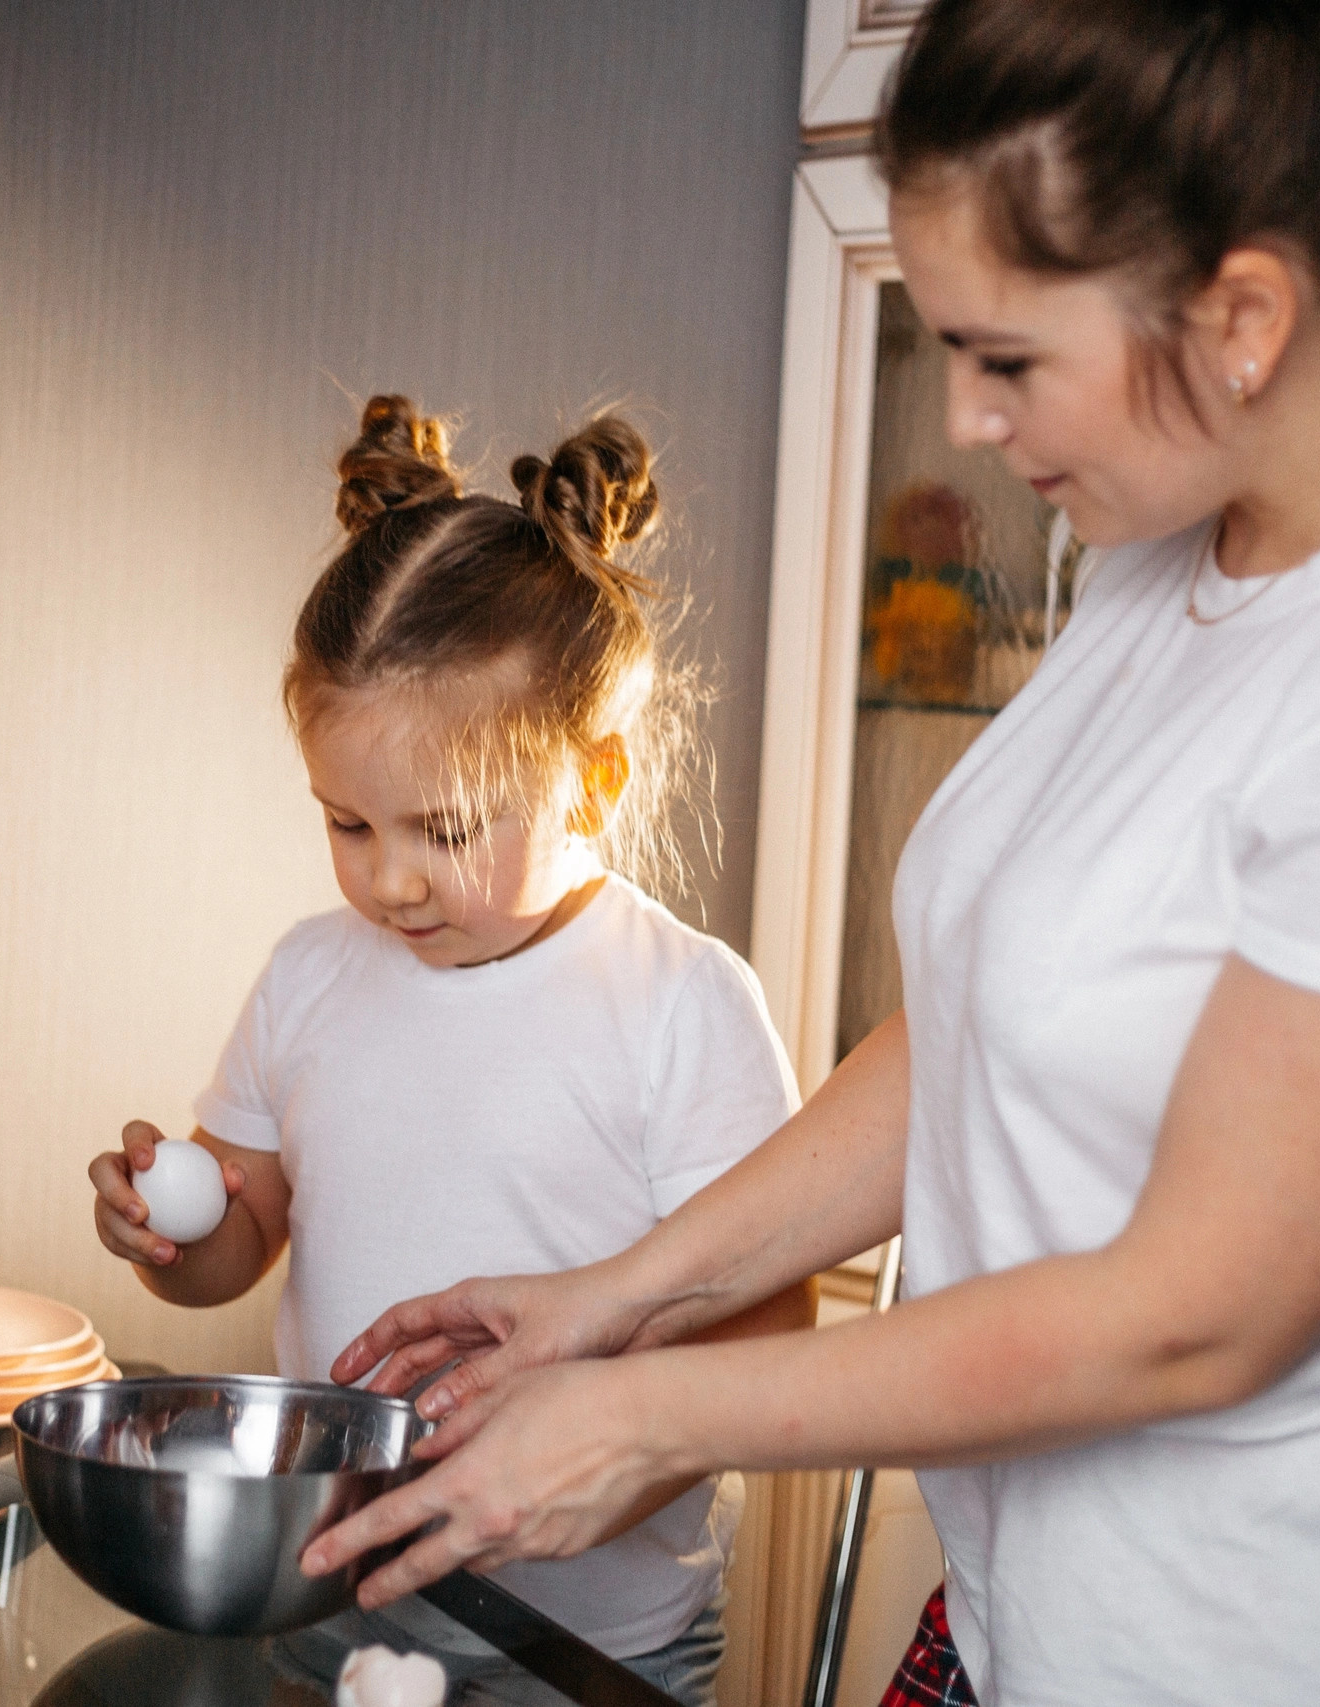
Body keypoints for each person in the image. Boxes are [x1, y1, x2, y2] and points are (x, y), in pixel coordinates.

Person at [301, 5, 1320, 1705]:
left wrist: (647, 1413)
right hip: (1046, 1620)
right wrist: (616, 1297)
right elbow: (986, 1017)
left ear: (1242, 317)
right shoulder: (1175, 535)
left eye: (1009, 358)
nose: (965, 417)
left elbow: (1196, 1311)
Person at [87, 397, 811, 1706]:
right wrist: (169, 1231)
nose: (392, 880)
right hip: (330, 1592)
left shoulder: (680, 1003)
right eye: (349, 823)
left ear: (594, 781)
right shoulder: (310, 974)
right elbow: (241, 1236)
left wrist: (604, 1464)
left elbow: (766, 1314)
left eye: (447, 827)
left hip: (592, 1641)